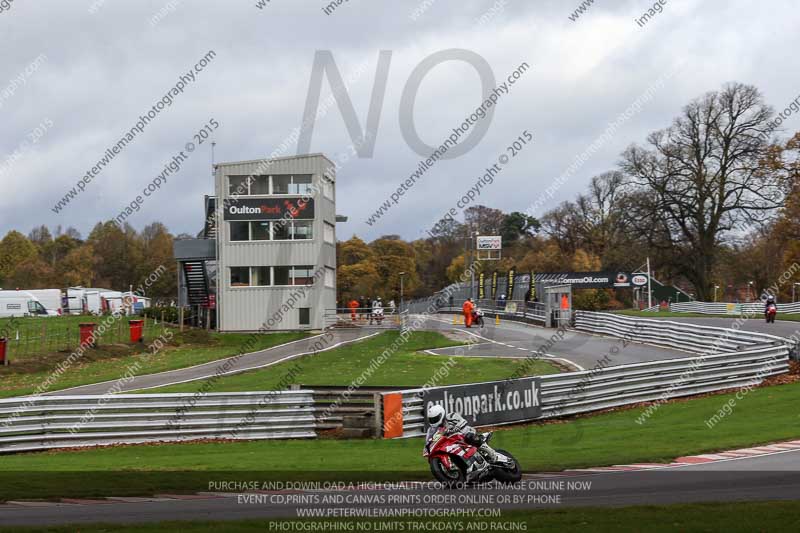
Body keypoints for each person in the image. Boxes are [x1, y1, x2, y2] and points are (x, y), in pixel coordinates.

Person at [426, 405, 498, 462]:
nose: (433, 421)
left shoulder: (451, 416)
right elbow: (431, 439)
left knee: (468, 436)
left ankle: (492, 453)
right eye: (432, 420)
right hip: (453, 442)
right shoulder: (433, 430)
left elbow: (463, 421)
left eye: (435, 419)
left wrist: (457, 427)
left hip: (465, 434)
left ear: (441, 415)